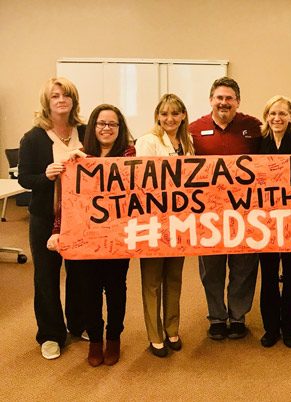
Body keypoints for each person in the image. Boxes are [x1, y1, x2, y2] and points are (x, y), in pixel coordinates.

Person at [47, 104, 135, 366]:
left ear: (119, 129)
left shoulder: (129, 155)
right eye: (101, 123)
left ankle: (114, 338)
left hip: (117, 238)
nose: (106, 128)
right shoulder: (78, 157)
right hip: (86, 238)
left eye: (112, 124)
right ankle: (95, 339)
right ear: (93, 127)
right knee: (90, 290)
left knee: (116, 289)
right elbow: (67, 201)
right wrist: (57, 231)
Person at [188, 77, 262, 340]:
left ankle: (238, 316)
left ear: (237, 101)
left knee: (244, 266)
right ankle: (217, 317)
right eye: (219, 97)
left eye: (229, 98)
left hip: (245, 212)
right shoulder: (194, 130)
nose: (224, 102)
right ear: (211, 100)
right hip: (208, 214)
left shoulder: (253, 127)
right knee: (212, 268)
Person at [18, 77, 86, 360]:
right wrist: (45, 176)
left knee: (80, 276)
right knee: (46, 277)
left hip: (82, 218)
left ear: (73, 100)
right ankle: (50, 334)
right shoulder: (33, 137)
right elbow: (24, 178)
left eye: (66, 95)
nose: (61, 100)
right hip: (46, 217)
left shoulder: (84, 131)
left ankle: (78, 324)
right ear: (47, 101)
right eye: (55, 95)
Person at [135, 94, 195, 357]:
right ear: (157, 116)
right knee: (152, 280)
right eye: (164, 114)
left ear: (183, 115)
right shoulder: (147, 141)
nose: (169, 119)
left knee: (173, 277)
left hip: (179, 220)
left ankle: (172, 329)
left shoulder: (188, 142)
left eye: (175, 113)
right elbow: (143, 180)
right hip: (152, 220)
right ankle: (154, 335)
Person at [257, 96, 291, 348]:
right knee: (267, 276)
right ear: (266, 116)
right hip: (263, 222)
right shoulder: (258, 143)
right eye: (272, 113)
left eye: (282, 114)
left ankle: (289, 329)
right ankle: (270, 329)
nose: (277, 118)